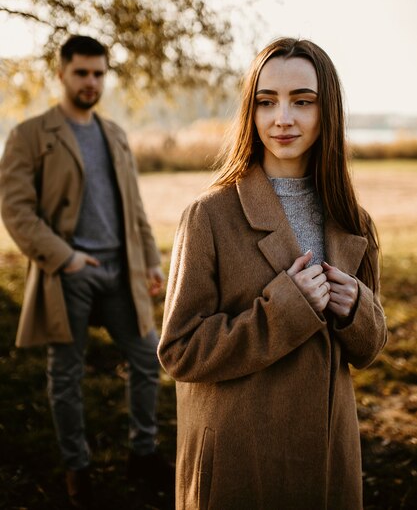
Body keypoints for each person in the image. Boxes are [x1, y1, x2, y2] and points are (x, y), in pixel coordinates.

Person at [157, 37, 387, 510]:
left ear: (328, 112)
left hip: (328, 461)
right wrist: (283, 310)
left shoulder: (353, 220)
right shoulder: (208, 216)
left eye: (302, 101)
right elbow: (180, 351)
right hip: (242, 463)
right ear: (251, 112)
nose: (283, 118)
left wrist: (357, 310)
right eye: (267, 102)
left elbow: (369, 348)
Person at [0, 35, 174, 508]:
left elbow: (134, 205)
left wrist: (152, 261)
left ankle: (143, 452)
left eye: (99, 73)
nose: (91, 82)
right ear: (61, 74)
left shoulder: (115, 134)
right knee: (66, 374)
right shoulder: (30, 134)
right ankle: (77, 468)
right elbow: (16, 211)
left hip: (121, 269)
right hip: (68, 272)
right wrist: (67, 257)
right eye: (82, 73)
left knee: (147, 355)